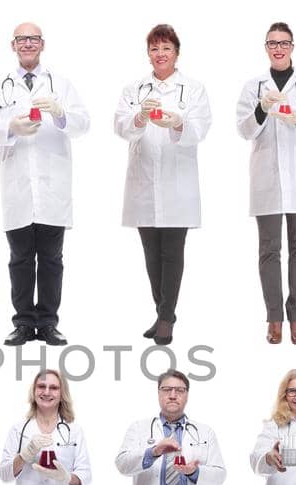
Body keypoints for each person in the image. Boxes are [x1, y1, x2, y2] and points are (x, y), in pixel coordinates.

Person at [0, 23, 89, 346]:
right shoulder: (0, 87)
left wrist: (62, 114)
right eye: (22, 39)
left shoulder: (60, 84)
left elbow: (83, 123)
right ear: (13, 45)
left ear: (43, 44)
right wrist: (9, 128)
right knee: (20, 259)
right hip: (17, 186)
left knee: (52, 259)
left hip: (53, 187)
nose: (28, 44)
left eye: (33, 39)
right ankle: (24, 323)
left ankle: (49, 323)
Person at [116, 24, 211, 347]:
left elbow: (202, 127)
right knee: (151, 254)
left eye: (166, 48)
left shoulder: (193, 89)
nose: (160, 54)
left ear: (177, 53)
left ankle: (167, 317)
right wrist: (139, 119)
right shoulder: (135, 89)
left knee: (172, 252)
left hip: (177, 185)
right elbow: (120, 125)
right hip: (143, 184)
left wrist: (179, 122)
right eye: (155, 49)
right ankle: (162, 313)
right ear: (148, 54)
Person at [237, 23, 296, 346]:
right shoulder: (254, 87)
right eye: (272, 43)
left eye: (284, 43)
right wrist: (262, 109)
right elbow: (244, 129)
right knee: (268, 251)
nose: (278, 48)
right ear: (266, 47)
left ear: (293, 46)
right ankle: (274, 317)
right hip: (267, 180)